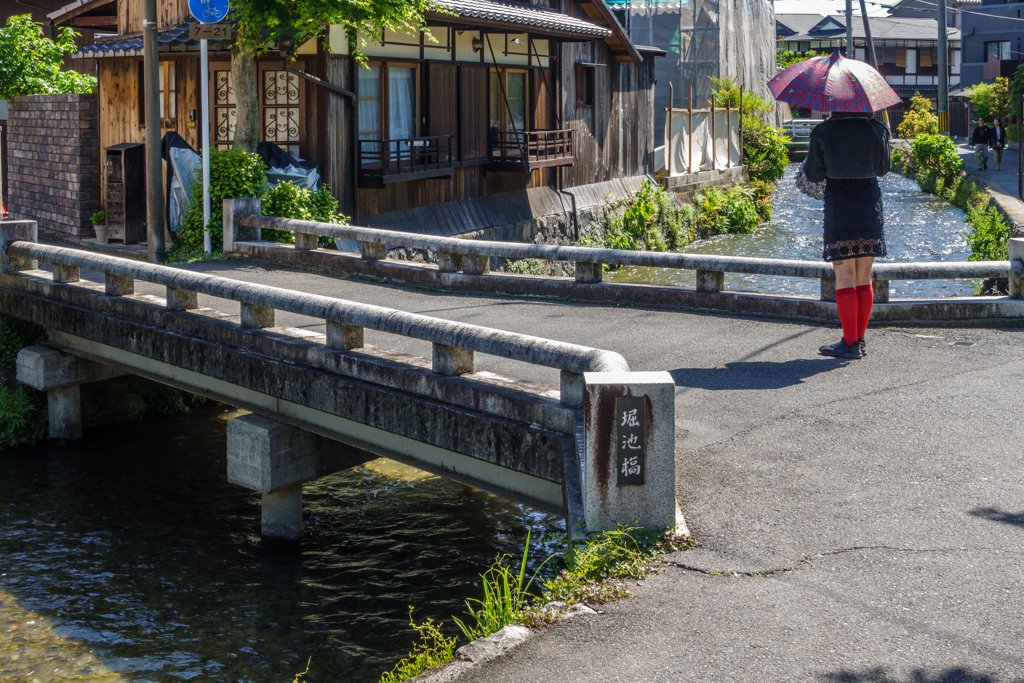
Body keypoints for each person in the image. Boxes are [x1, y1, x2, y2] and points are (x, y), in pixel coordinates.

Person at [804, 111, 891, 359]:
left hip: (840, 203)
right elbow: (883, 169)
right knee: (864, 276)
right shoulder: (878, 129)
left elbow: (812, 174)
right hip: (868, 202)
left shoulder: (823, 131)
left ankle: (849, 342)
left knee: (844, 276)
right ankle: (859, 340)